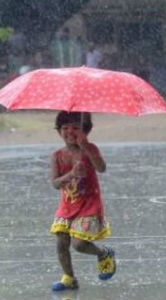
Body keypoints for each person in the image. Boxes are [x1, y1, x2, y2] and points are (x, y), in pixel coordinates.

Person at [49, 111, 116, 291]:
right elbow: (55, 183)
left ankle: (103, 253)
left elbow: (101, 168)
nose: (70, 132)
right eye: (65, 128)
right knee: (61, 241)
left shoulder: (90, 148)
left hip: (88, 204)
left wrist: (86, 147)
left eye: (76, 128)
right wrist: (71, 174)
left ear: (85, 131)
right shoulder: (57, 155)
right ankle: (69, 277)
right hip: (67, 205)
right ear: (58, 131)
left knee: (78, 244)